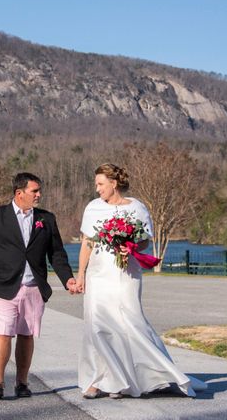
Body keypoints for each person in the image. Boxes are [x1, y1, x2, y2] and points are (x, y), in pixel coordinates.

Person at [75, 163, 207, 399]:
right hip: (98, 275)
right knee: (97, 326)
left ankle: (128, 380)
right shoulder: (92, 208)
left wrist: (130, 246)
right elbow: (87, 242)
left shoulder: (137, 208)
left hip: (127, 273)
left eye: (100, 184)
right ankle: (98, 380)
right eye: (96, 184)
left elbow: (145, 240)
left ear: (113, 184)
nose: (97, 189)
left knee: (130, 323)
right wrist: (81, 274)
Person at [0, 172, 77, 400]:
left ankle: (22, 382)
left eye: (39, 191)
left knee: (26, 334)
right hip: (2, 286)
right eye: (34, 191)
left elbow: (56, 254)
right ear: (19, 193)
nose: (39, 195)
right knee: (5, 329)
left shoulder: (46, 219)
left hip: (33, 287)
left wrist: (67, 278)